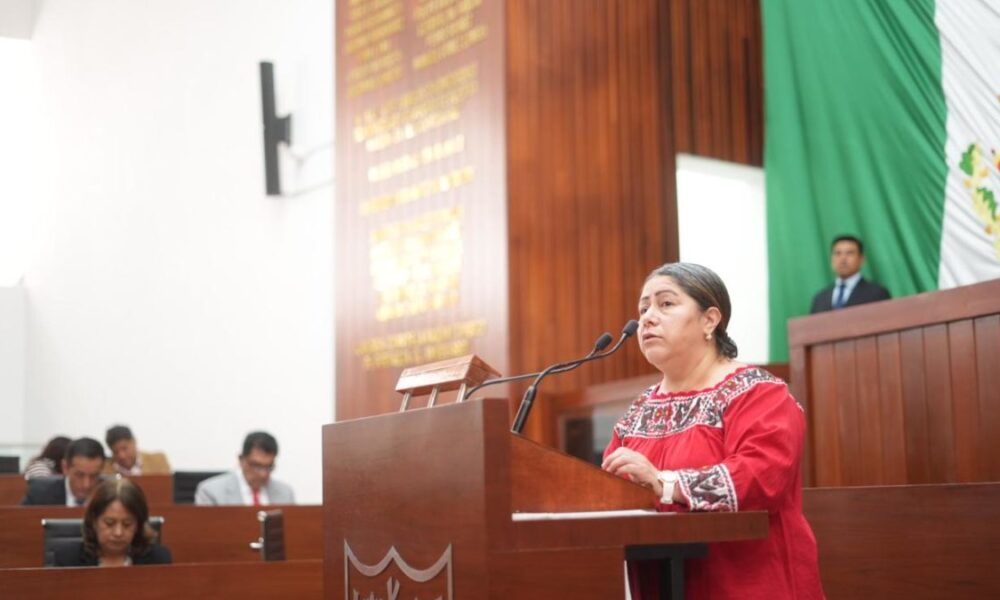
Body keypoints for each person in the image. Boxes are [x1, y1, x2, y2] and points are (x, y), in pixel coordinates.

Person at [602, 263, 824, 599]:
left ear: (710, 320)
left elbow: (761, 476)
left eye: (666, 304)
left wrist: (666, 484)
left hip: (747, 585)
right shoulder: (639, 410)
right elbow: (608, 491)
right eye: (643, 308)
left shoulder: (758, 392)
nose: (647, 318)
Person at [52, 478, 172, 567]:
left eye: (127, 524)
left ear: (138, 525)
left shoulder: (158, 559)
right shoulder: (68, 559)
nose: (118, 533)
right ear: (94, 521)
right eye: (109, 523)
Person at [194, 431, 295, 506]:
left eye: (269, 467)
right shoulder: (211, 492)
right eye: (257, 466)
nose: (263, 474)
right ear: (241, 460)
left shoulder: (285, 493)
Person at [810, 234, 890, 313]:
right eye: (838, 253)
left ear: (861, 259)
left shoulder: (877, 294)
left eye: (849, 253)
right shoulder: (819, 299)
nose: (843, 259)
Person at [21, 437, 106, 506]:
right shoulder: (40, 494)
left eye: (94, 476)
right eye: (79, 475)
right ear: (65, 468)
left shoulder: (108, 497)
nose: (86, 485)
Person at [103, 425, 171, 476]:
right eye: (115, 452)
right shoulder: (105, 469)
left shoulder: (158, 461)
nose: (121, 456)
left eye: (125, 448)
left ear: (134, 442)